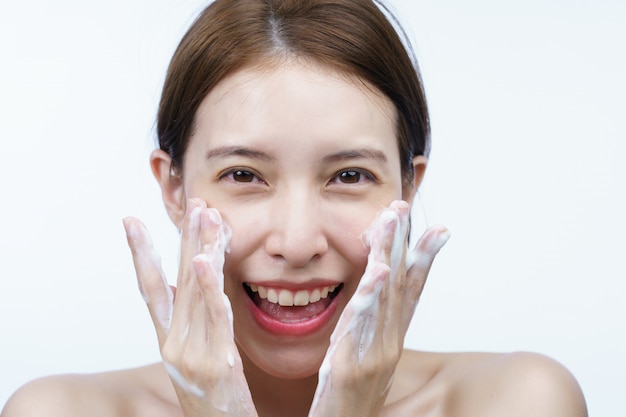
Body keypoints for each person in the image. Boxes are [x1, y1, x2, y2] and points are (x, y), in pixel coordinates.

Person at [1, 0, 588, 416]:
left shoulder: (518, 402)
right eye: (244, 175)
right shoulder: (56, 411)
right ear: (174, 188)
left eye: (350, 175)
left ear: (406, 191)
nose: (298, 240)